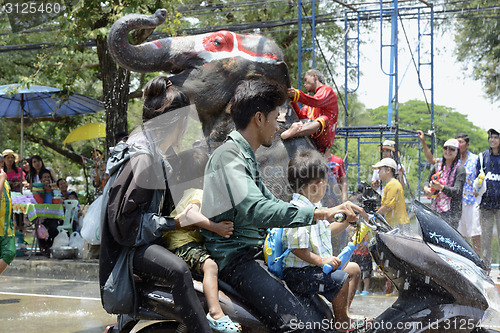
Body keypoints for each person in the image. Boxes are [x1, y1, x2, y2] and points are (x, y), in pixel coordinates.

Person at [201, 78, 367, 332]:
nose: (278, 126)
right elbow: (257, 208)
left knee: (322, 318)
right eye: (275, 118)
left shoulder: (244, 155)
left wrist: (334, 215)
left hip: (255, 254)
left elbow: (271, 202)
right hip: (236, 260)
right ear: (259, 118)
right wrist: (322, 212)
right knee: (302, 325)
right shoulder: (229, 157)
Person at [100, 76, 214, 332]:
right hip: (130, 248)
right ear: (179, 123)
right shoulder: (143, 157)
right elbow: (125, 224)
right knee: (178, 270)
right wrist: (173, 222)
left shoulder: (157, 151)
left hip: (144, 239)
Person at [281, 148, 363, 332]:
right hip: (298, 273)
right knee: (341, 278)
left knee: (354, 270)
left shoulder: (315, 207)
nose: (325, 190)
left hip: (313, 268)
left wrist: (347, 222)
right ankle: (342, 323)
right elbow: (297, 249)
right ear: (316, 186)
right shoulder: (297, 211)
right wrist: (322, 260)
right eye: (325, 185)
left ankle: (343, 314)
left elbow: (327, 231)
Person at [163, 148, 240, 332]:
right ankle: (215, 313)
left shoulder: (188, 191)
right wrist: (216, 227)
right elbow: (191, 215)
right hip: (181, 243)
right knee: (210, 266)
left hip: (178, 240)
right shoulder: (198, 192)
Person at [281, 69, 339, 154]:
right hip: (310, 136)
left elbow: (317, 101)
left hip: (323, 137)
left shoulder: (327, 91)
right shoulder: (309, 104)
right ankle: (294, 131)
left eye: (306, 80)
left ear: (314, 77)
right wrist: (292, 100)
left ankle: (294, 132)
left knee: (324, 119)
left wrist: (297, 94)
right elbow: (301, 117)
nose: (304, 84)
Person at [424, 139, 466, 229]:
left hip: (452, 212)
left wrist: (441, 187)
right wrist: (426, 188)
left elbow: (457, 191)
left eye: (452, 149)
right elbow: (427, 181)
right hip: (436, 209)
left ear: (457, 152)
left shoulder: (460, 169)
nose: (448, 151)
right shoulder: (437, 166)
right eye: (445, 148)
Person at [474, 127, 500, 274]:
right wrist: (475, 188)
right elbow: (477, 178)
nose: (492, 140)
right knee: (486, 240)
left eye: (496, 137)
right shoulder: (482, 157)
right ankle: (486, 270)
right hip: (486, 204)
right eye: (491, 137)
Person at [455, 134, 481, 254]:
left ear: (467, 144)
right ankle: (464, 259)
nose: (458, 145)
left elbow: (481, 177)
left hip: (472, 201)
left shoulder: (476, 159)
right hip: (457, 201)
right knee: (460, 234)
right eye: (456, 142)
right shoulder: (453, 159)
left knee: (475, 233)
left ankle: (478, 261)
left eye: (461, 142)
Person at [372, 158, 411, 232]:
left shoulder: (393, 184)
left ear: (388, 170)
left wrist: (375, 216)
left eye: (380, 169)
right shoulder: (390, 184)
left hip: (399, 225)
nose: (378, 172)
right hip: (395, 224)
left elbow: (387, 206)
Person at [3, 149, 25, 235]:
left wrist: (19, 183)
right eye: (8, 158)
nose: (10, 160)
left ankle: (20, 238)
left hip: (18, 199)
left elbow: (25, 182)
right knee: (8, 219)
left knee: (20, 220)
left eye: (12, 158)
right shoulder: (2, 172)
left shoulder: (19, 170)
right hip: (5, 199)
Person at [0, 169, 15, 275]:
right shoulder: (2, 178)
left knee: (9, 253)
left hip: (6, 227)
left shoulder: (4, 180)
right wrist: (2, 178)